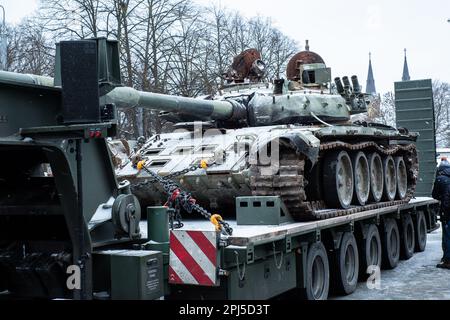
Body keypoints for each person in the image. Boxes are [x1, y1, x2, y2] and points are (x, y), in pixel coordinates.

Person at [432, 159, 450, 269]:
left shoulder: (440, 179)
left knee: (447, 236)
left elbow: (434, 195)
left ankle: (447, 260)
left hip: (447, 212)